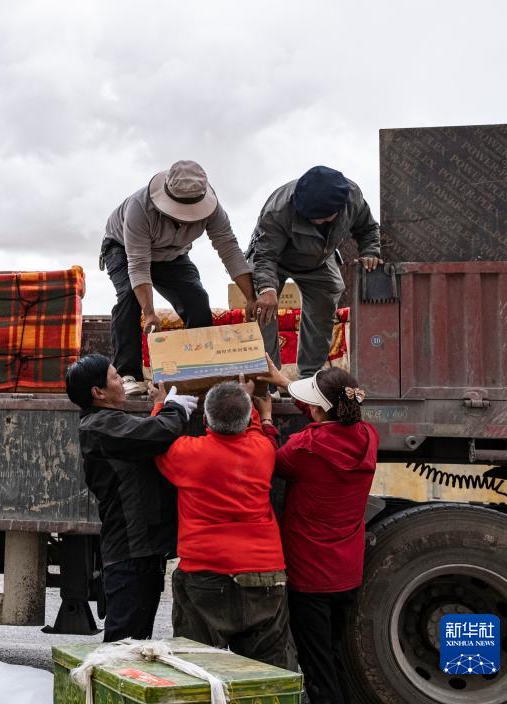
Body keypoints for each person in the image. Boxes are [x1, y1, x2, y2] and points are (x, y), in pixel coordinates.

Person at [255, 358, 378, 704]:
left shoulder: (306, 448)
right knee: (335, 655)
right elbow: (329, 417)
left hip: (310, 577)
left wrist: (266, 420)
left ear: (320, 412)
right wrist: (283, 382)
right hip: (346, 573)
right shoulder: (367, 436)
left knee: (317, 668)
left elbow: (268, 462)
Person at [154, 378, 290, 668]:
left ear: (205, 419)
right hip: (263, 573)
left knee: (198, 672)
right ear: (245, 419)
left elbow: (157, 439)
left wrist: (159, 406)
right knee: (267, 674)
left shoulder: (187, 454)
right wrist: (258, 410)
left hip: (205, 572)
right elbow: (257, 432)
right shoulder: (262, 451)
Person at [65, 354, 197, 642]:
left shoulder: (109, 421)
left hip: (140, 550)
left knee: (135, 640)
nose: (122, 383)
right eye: (115, 378)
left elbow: (145, 434)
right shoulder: (99, 426)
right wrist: (173, 411)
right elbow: (156, 433)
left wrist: (163, 407)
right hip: (129, 551)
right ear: (98, 392)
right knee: (124, 645)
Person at [102, 160, 257, 396]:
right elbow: (138, 264)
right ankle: (127, 373)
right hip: (123, 249)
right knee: (128, 298)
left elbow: (229, 249)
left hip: (172, 254)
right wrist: (149, 312)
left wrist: (251, 298)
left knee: (197, 299)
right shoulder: (139, 208)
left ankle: (198, 369)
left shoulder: (213, 207)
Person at [247, 166, 382, 382]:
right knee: (263, 307)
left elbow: (368, 229)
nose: (309, 219)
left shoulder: (353, 198)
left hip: (318, 258)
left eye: (316, 217)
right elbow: (264, 255)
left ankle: (309, 378)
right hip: (273, 259)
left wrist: (370, 252)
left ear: (336, 210)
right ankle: (267, 379)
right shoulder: (277, 210)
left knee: (326, 299)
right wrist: (266, 289)